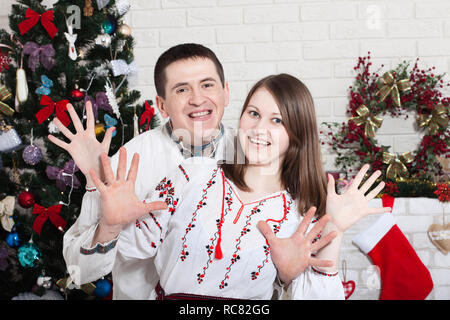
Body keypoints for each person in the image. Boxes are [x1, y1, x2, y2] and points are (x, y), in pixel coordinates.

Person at [88, 74, 390, 299]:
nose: (259, 129)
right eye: (254, 113)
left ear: (297, 136)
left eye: (277, 121)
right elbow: (128, 250)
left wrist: (333, 229)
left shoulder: (299, 216)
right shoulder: (191, 174)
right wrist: (111, 223)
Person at [50, 44, 235, 299]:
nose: (197, 99)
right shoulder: (129, 161)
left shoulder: (254, 155)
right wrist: (109, 225)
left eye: (207, 85)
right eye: (182, 89)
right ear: (162, 105)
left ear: (225, 92)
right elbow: (79, 271)